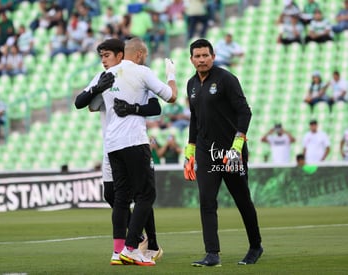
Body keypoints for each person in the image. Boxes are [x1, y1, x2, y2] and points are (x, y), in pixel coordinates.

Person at [74, 38, 167, 265]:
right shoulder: (102, 78)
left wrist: (132, 108)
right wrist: (98, 88)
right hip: (113, 144)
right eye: (101, 57)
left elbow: (156, 106)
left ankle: (147, 243)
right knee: (114, 195)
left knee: (138, 194)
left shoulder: (136, 74)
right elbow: (82, 102)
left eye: (107, 56)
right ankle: (133, 243)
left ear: (120, 55)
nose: (103, 61)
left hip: (128, 141)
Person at [185, 38, 263, 267]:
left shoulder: (226, 79)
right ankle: (212, 254)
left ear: (213, 56)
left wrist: (237, 146)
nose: (201, 60)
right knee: (206, 201)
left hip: (231, 153)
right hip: (206, 153)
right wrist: (190, 151)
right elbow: (194, 119)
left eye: (205, 55)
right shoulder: (191, 84)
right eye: (197, 56)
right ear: (191, 59)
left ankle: (256, 245)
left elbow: (245, 112)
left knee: (242, 200)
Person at [102, 37, 177, 266]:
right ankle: (132, 247)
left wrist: (132, 107)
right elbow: (171, 97)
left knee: (122, 197)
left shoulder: (107, 75)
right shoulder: (142, 71)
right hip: (134, 141)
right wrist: (171, 76)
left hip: (111, 144)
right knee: (146, 194)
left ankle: (122, 251)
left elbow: (86, 102)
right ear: (139, 54)